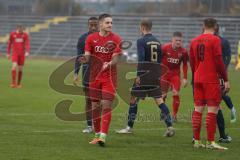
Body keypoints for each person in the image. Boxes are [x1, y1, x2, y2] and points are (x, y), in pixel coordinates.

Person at [116, 18, 175, 137]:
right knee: (159, 101)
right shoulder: (158, 42)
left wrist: (139, 75)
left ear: (142, 27)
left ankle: (129, 127)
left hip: (145, 74)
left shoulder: (141, 41)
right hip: (155, 74)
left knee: (133, 99)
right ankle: (170, 127)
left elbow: (142, 59)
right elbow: (159, 60)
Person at [190, 18, 229, 150]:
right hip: (211, 79)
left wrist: (195, 76)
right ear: (216, 26)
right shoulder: (215, 40)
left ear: (203, 26)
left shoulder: (194, 41)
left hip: (197, 78)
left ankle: (196, 141)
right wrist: (225, 79)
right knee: (213, 110)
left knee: (198, 110)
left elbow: (192, 61)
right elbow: (219, 61)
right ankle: (211, 142)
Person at [83, 13, 122, 147]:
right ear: (100, 24)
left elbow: (116, 58)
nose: (110, 25)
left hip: (109, 78)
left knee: (106, 106)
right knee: (95, 107)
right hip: (94, 77)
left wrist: (109, 63)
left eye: (111, 23)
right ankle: (97, 134)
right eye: (107, 23)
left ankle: (103, 136)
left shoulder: (116, 38)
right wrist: (84, 59)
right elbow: (87, 55)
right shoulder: (90, 38)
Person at [73, 17, 98, 133]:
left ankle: (98, 125)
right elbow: (79, 57)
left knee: (100, 102)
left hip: (101, 74)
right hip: (87, 73)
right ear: (88, 25)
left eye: (95, 25)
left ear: (99, 25)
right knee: (88, 100)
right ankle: (89, 126)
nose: (93, 27)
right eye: (91, 25)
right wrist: (76, 73)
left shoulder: (105, 38)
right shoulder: (82, 39)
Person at [161, 32, 188, 122]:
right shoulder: (165, 48)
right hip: (164, 74)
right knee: (163, 94)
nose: (178, 42)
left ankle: (174, 115)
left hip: (175, 75)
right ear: (172, 40)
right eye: (176, 40)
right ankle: (163, 112)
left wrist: (185, 77)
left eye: (180, 40)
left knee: (175, 93)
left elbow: (185, 65)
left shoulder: (183, 51)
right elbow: (158, 60)